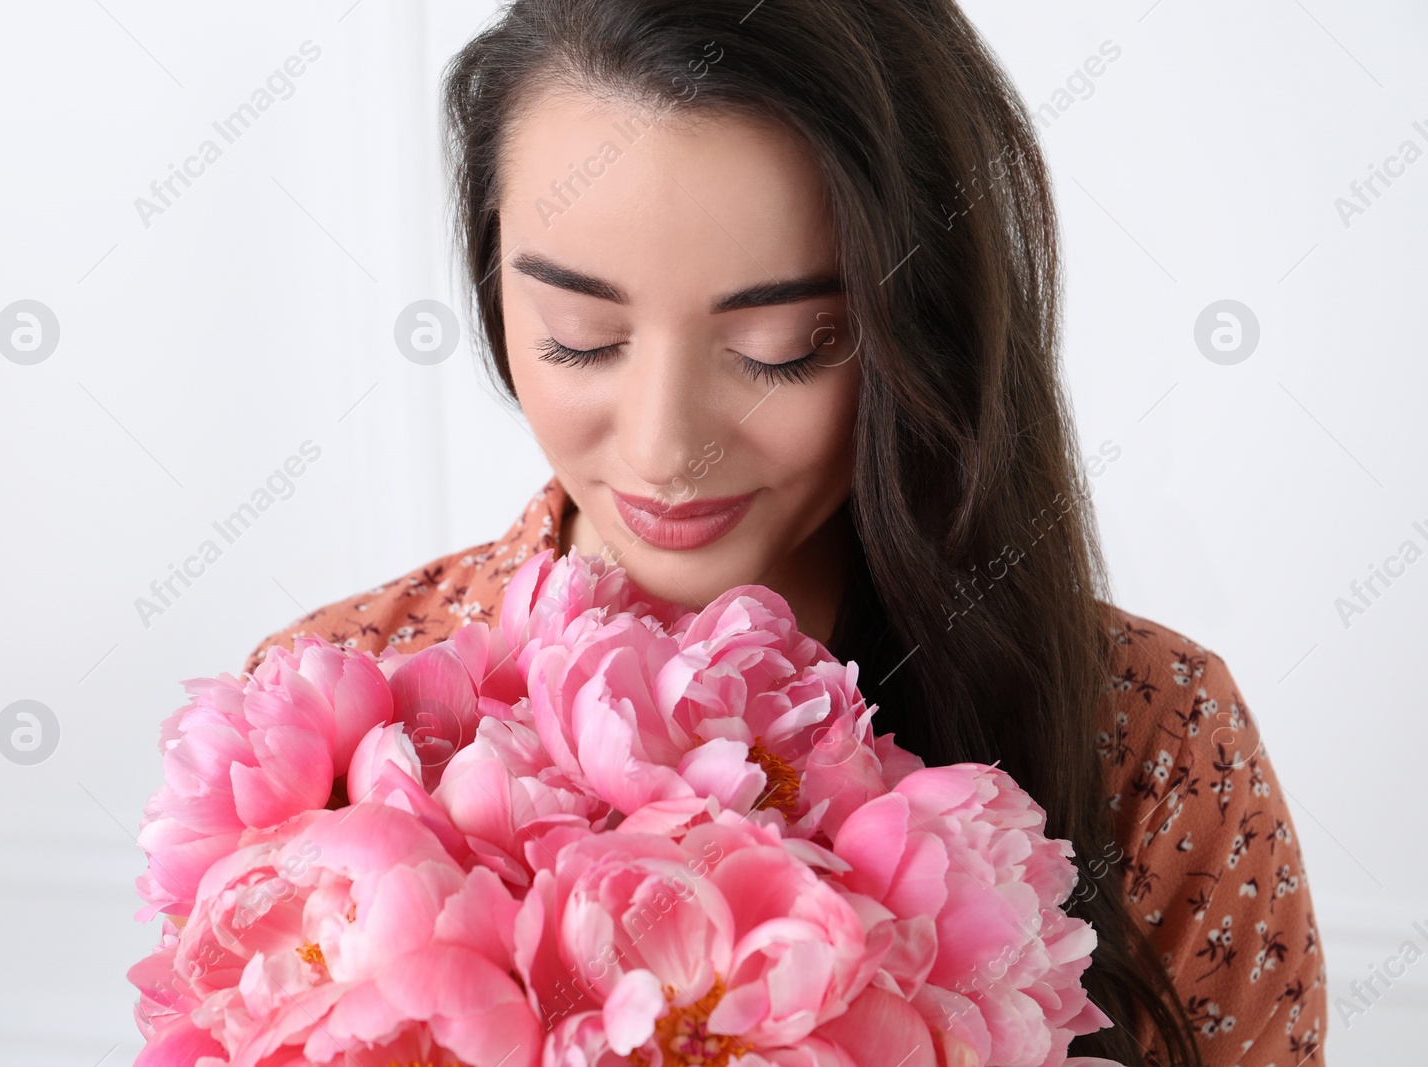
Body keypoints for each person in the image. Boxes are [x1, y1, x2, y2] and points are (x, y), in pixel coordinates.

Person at [246, 2, 1326, 1062]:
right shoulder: (331, 717)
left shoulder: (1152, 741)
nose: (667, 447)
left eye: (780, 347)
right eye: (580, 337)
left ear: (923, 332)